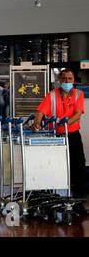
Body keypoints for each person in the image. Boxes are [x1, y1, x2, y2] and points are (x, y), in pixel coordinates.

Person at [32, 69, 87, 211]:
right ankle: (49, 199)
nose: (67, 81)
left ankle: (78, 203)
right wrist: (37, 122)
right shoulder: (51, 95)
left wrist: (65, 123)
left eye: (70, 78)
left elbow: (78, 114)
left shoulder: (78, 95)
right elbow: (40, 111)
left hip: (73, 135)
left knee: (78, 167)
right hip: (55, 137)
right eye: (64, 79)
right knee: (52, 166)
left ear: (74, 80)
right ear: (59, 80)